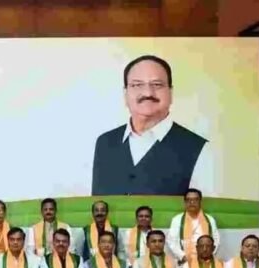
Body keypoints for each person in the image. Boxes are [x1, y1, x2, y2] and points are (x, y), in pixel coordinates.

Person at [91, 54, 214, 196]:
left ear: (170, 93)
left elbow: (205, 209)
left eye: (157, 85)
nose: (148, 92)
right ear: (125, 94)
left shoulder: (199, 149)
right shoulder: (104, 143)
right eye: (137, 85)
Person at [168, 188, 220, 264]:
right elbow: (171, 241)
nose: (192, 202)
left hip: (206, 260)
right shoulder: (177, 220)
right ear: (185, 202)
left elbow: (216, 240)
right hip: (185, 261)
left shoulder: (209, 219)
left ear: (200, 202)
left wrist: (208, 255)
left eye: (195, 200)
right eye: (188, 200)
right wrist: (183, 256)